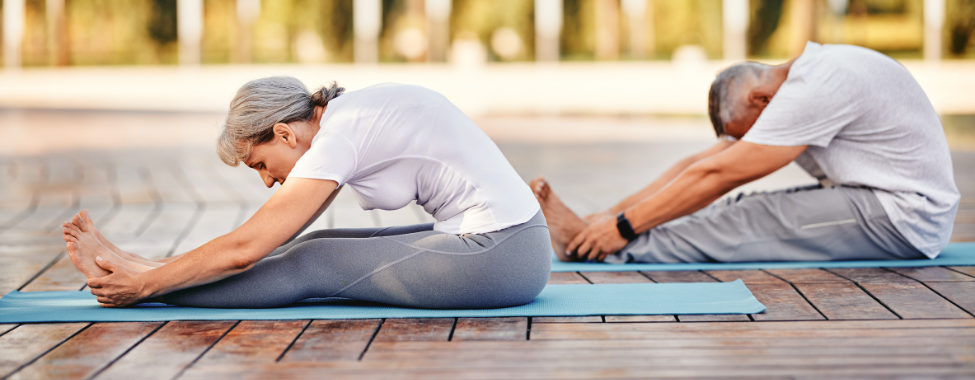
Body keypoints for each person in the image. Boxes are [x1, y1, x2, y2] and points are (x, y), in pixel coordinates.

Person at [62, 78, 551, 308]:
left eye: (260, 164)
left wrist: (147, 289)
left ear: (283, 133)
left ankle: (146, 281)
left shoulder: (340, 134)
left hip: (503, 254)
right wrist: (151, 270)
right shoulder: (347, 117)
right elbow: (270, 238)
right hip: (508, 245)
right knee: (306, 248)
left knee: (311, 262)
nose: (267, 180)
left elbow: (245, 249)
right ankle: (144, 268)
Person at [534, 42, 959, 264]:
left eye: (748, 134)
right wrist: (609, 213)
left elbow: (718, 175)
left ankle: (601, 248)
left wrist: (621, 230)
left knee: (742, 217)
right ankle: (594, 235)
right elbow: (699, 165)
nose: (750, 142)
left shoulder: (816, 87)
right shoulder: (802, 79)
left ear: (760, 101)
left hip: (906, 217)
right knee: (735, 208)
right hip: (878, 200)